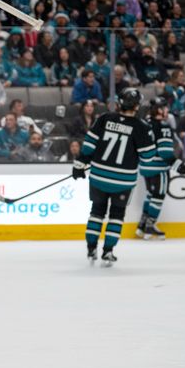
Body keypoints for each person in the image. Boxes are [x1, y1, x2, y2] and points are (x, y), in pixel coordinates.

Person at [73, 88, 157, 266]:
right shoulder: (141, 127)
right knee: (116, 216)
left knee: (96, 212)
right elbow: (148, 157)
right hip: (122, 181)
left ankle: (91, 248)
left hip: (99, 176)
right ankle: (108, 251)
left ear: (119, 103)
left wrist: (80, 163)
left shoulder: (104, 118)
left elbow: (89, 144)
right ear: (136, 106)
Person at [136, 97, 185, 240]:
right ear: (159, 110)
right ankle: (150, 227)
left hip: (145, 167)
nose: (167, 111)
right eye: (165, 108)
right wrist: (179, 166)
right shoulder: (163, 127)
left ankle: (142, 226)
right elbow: (165, 153)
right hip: (159, 168)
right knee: (158, 196)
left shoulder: (144, 124)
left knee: (150, 194)